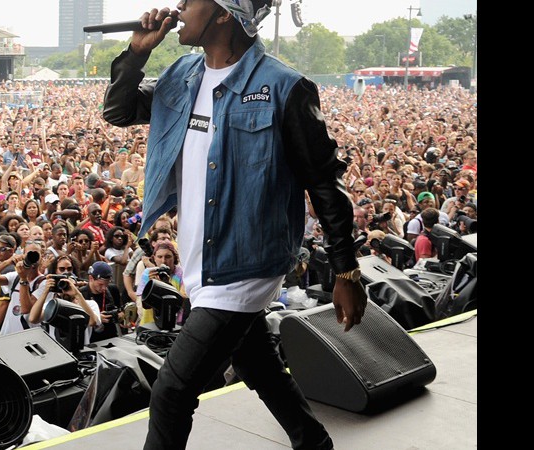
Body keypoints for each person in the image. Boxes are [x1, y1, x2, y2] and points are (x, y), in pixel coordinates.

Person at [103, 2, 367, 448]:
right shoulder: (183, 75)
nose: (179, 7)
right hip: (202, 259)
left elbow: (324, 183)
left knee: (171, 392)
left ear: (225, 13)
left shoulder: (283, 87)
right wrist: (136, 52)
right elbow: (118, 110)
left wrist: (346, 270)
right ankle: (313, 442)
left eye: (191, 1)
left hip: (248, 262)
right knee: (256, 363)